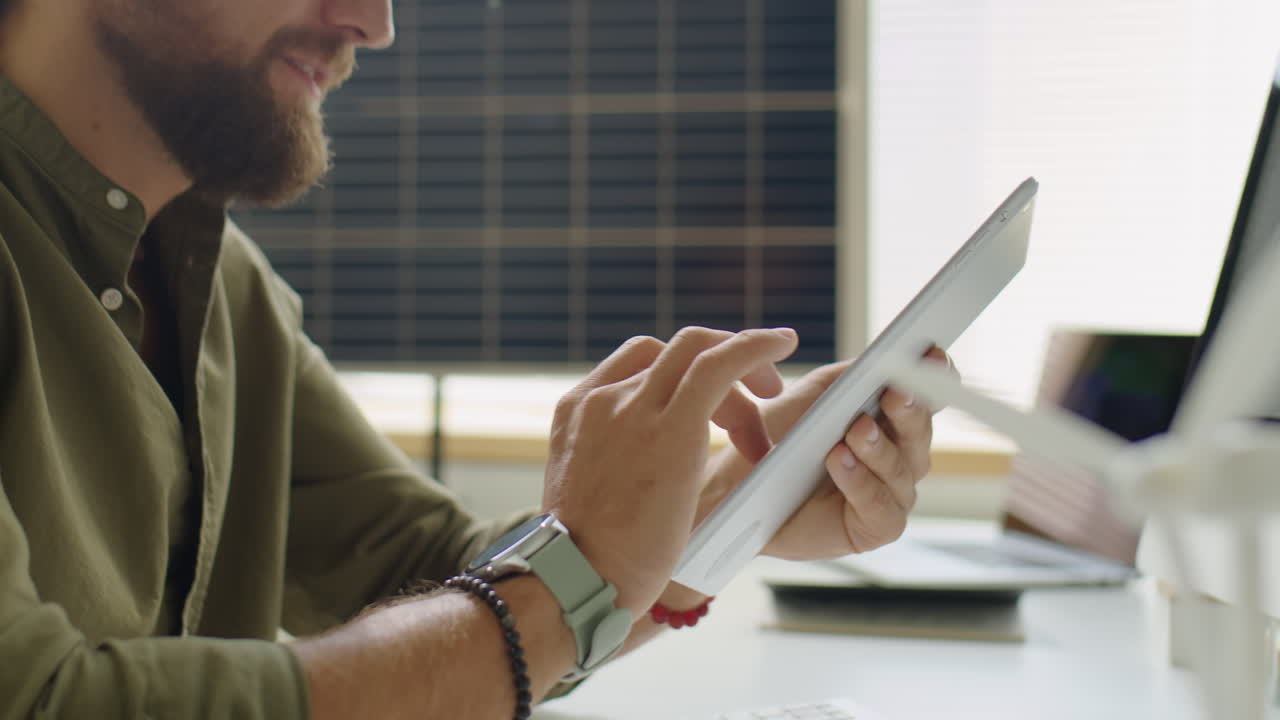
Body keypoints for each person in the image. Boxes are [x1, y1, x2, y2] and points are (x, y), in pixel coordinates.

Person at [0, 1, 948, 718]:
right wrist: (574, 578)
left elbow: (424, 573)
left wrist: (734, 498)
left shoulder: (224, 284)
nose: (373, 24)